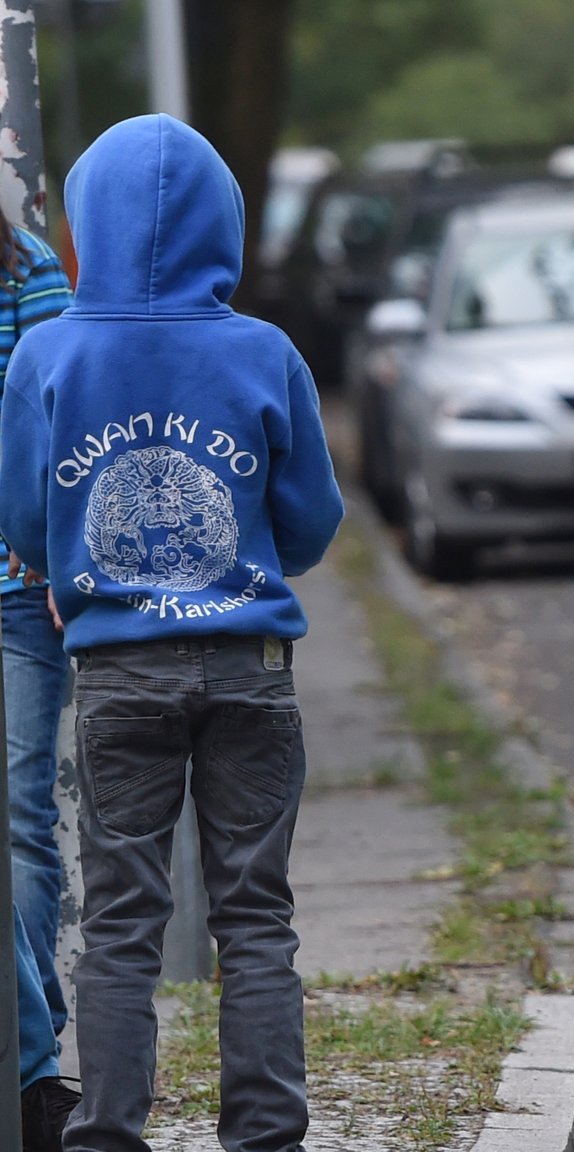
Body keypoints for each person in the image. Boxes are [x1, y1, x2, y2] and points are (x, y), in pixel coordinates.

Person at [0, 114, 345, 1152]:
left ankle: (106, 1134)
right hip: (250, 668)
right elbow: (314, 519)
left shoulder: (51, 353)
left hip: (116, 673)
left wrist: (79, 564)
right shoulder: (265, 352)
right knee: (255, 920)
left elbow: (20, 517)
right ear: (225, 225)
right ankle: (266, 1135)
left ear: (84, 224)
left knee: (119, 927)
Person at [0, 202, 85, 1148]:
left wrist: (53, 553)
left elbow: (62, 413)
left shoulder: (23, 267)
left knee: (21, 822)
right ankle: (28, 1059)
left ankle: (31, 1063)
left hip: (20, 586)